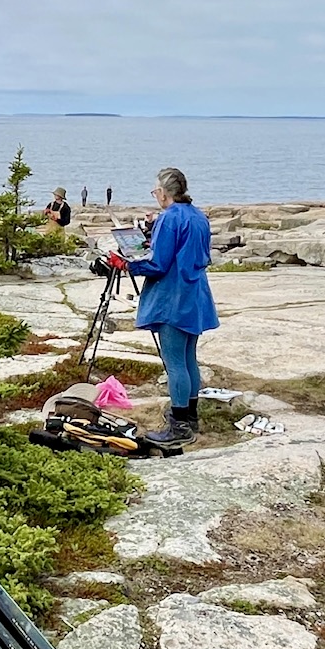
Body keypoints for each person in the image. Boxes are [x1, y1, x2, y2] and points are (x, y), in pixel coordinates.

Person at [109, 167, 219, 444]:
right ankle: (191, 419)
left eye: (155, 189)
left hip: (174, 297)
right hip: (195, 293)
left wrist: (128, 264)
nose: (154, 194)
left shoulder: (170, 218)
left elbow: (158, 264)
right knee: (188, 358)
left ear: (164, 192)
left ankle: (178, 427)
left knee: (174, 364)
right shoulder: (198, 215)